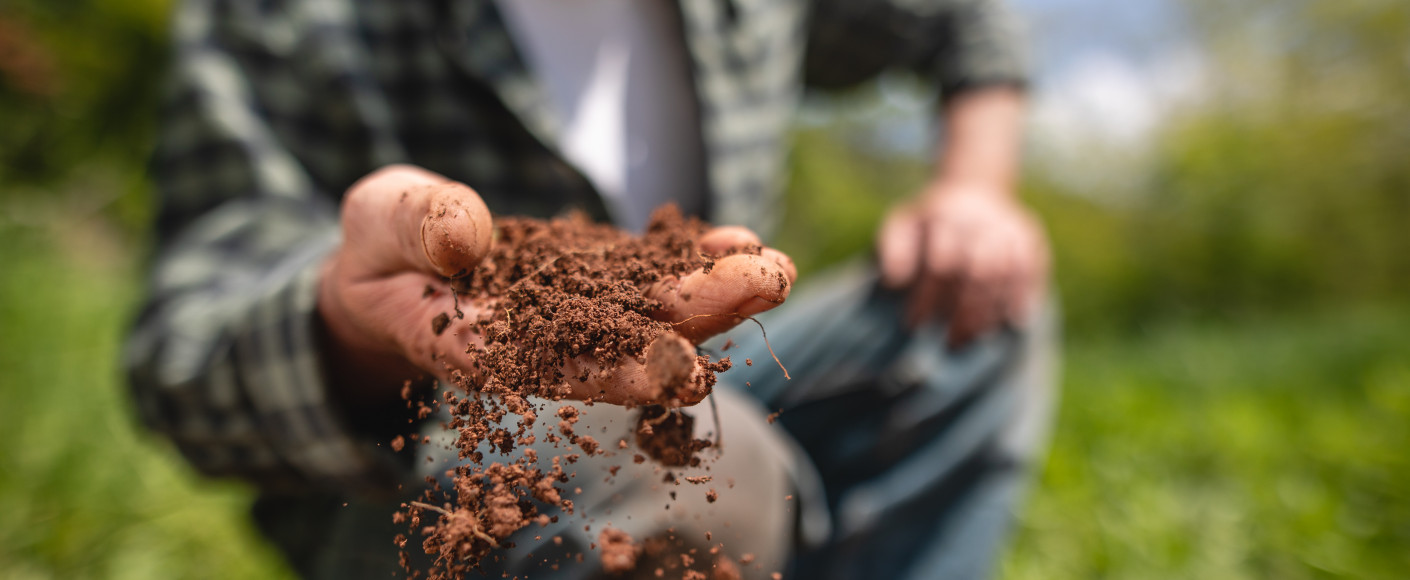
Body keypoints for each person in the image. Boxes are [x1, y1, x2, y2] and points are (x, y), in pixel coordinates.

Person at [126, 0, 1056, 578]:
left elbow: (963, 19)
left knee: (971, 312)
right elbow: (181, 353)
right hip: (438, 449)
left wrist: (973, 191)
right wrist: (353, 320)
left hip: (715, 372)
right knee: (708, 476)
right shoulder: (296, 15)